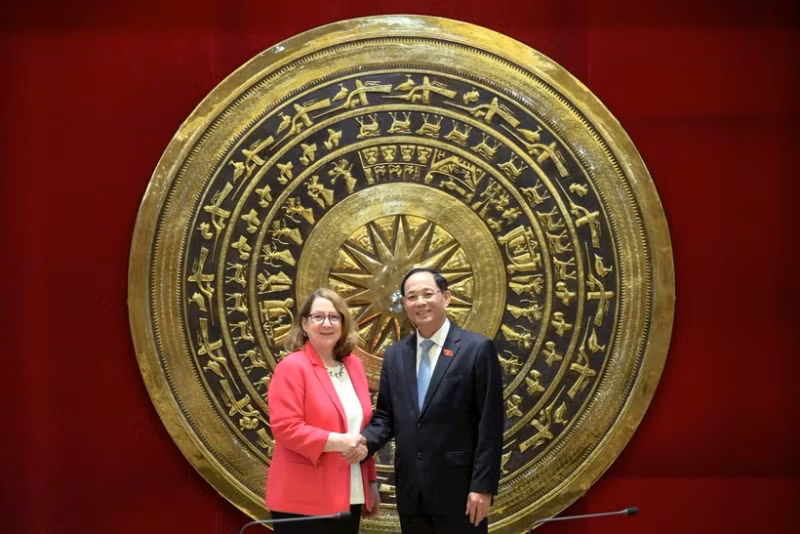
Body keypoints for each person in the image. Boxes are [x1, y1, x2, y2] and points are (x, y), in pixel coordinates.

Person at [361, 267, 504, 534]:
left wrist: (483, 487)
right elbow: (386, 416)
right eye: (412, 297)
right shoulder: (395, 355)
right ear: (404, 304)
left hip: (460, 492)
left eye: (428, 294)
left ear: (446, 297)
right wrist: (362, 443)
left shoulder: (476, 349)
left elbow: (490, 424)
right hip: (412, 492)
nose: (420, 302)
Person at [266, 288, 380, 534]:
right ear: (304, 324)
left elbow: (361, 428)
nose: (326, 323)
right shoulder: (291, 367)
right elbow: (286, 428)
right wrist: (342, 442)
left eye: (334, 317)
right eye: (318, 317)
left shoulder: (354, 365)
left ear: (343, 324)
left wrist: (370, 482)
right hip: (303, 499)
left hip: (350, 494)